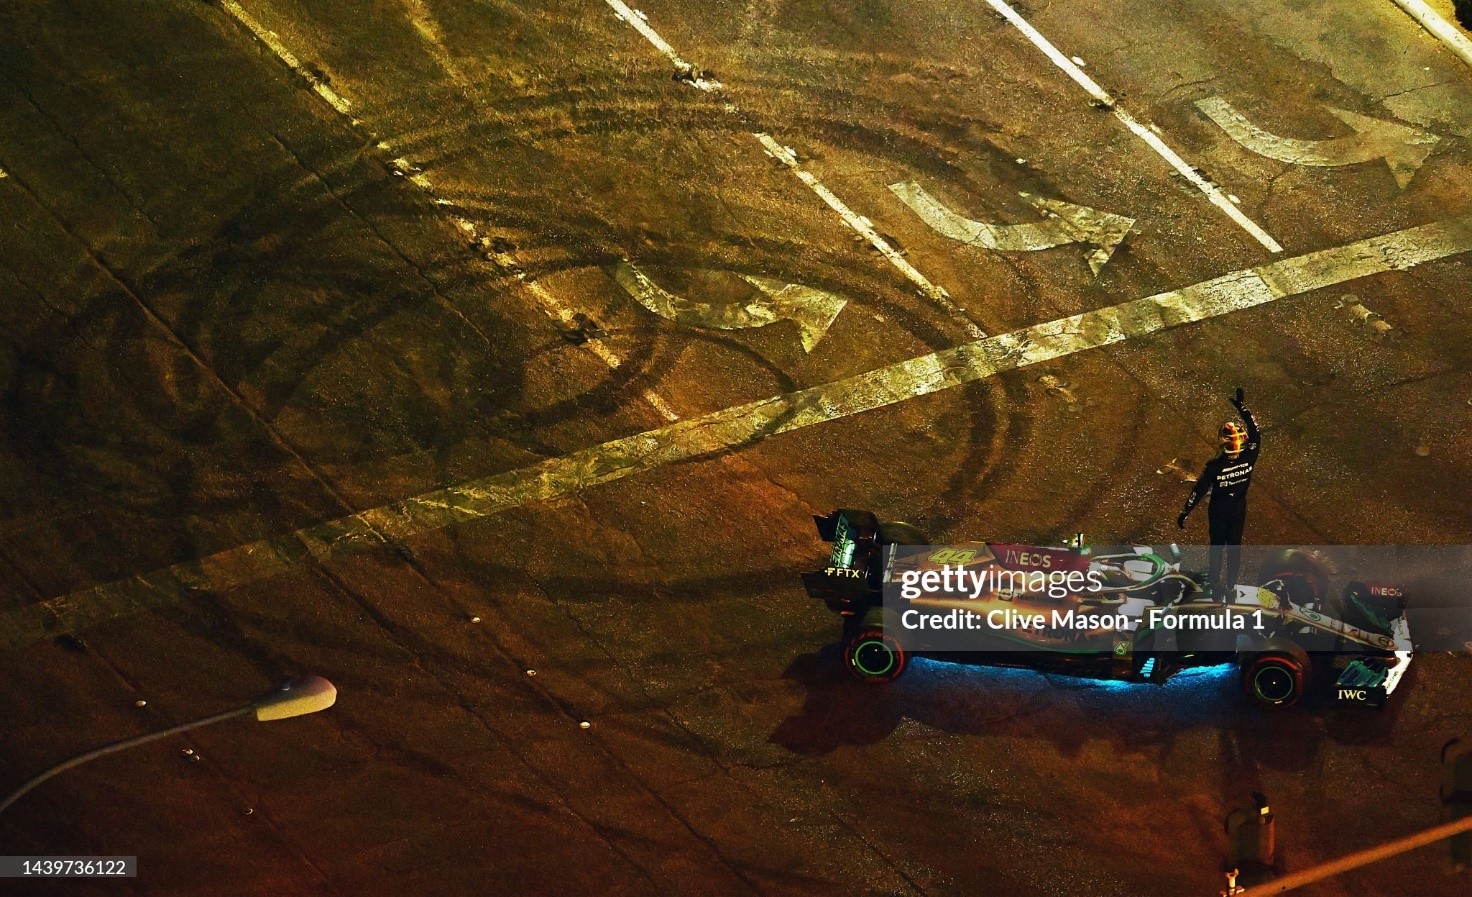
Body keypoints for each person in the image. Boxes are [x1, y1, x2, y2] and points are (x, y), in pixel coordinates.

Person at [1178, 388, 1260, 600]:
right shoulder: (1250, 456)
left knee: (1216, 549)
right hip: (1238, 510)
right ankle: (1231, 587)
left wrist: (1186, 511)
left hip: (1218, 511)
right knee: (1234, 550)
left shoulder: (1215, 466)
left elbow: (1199, 490)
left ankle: (1215, 586)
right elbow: (1255, 431)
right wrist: (1242, 408)